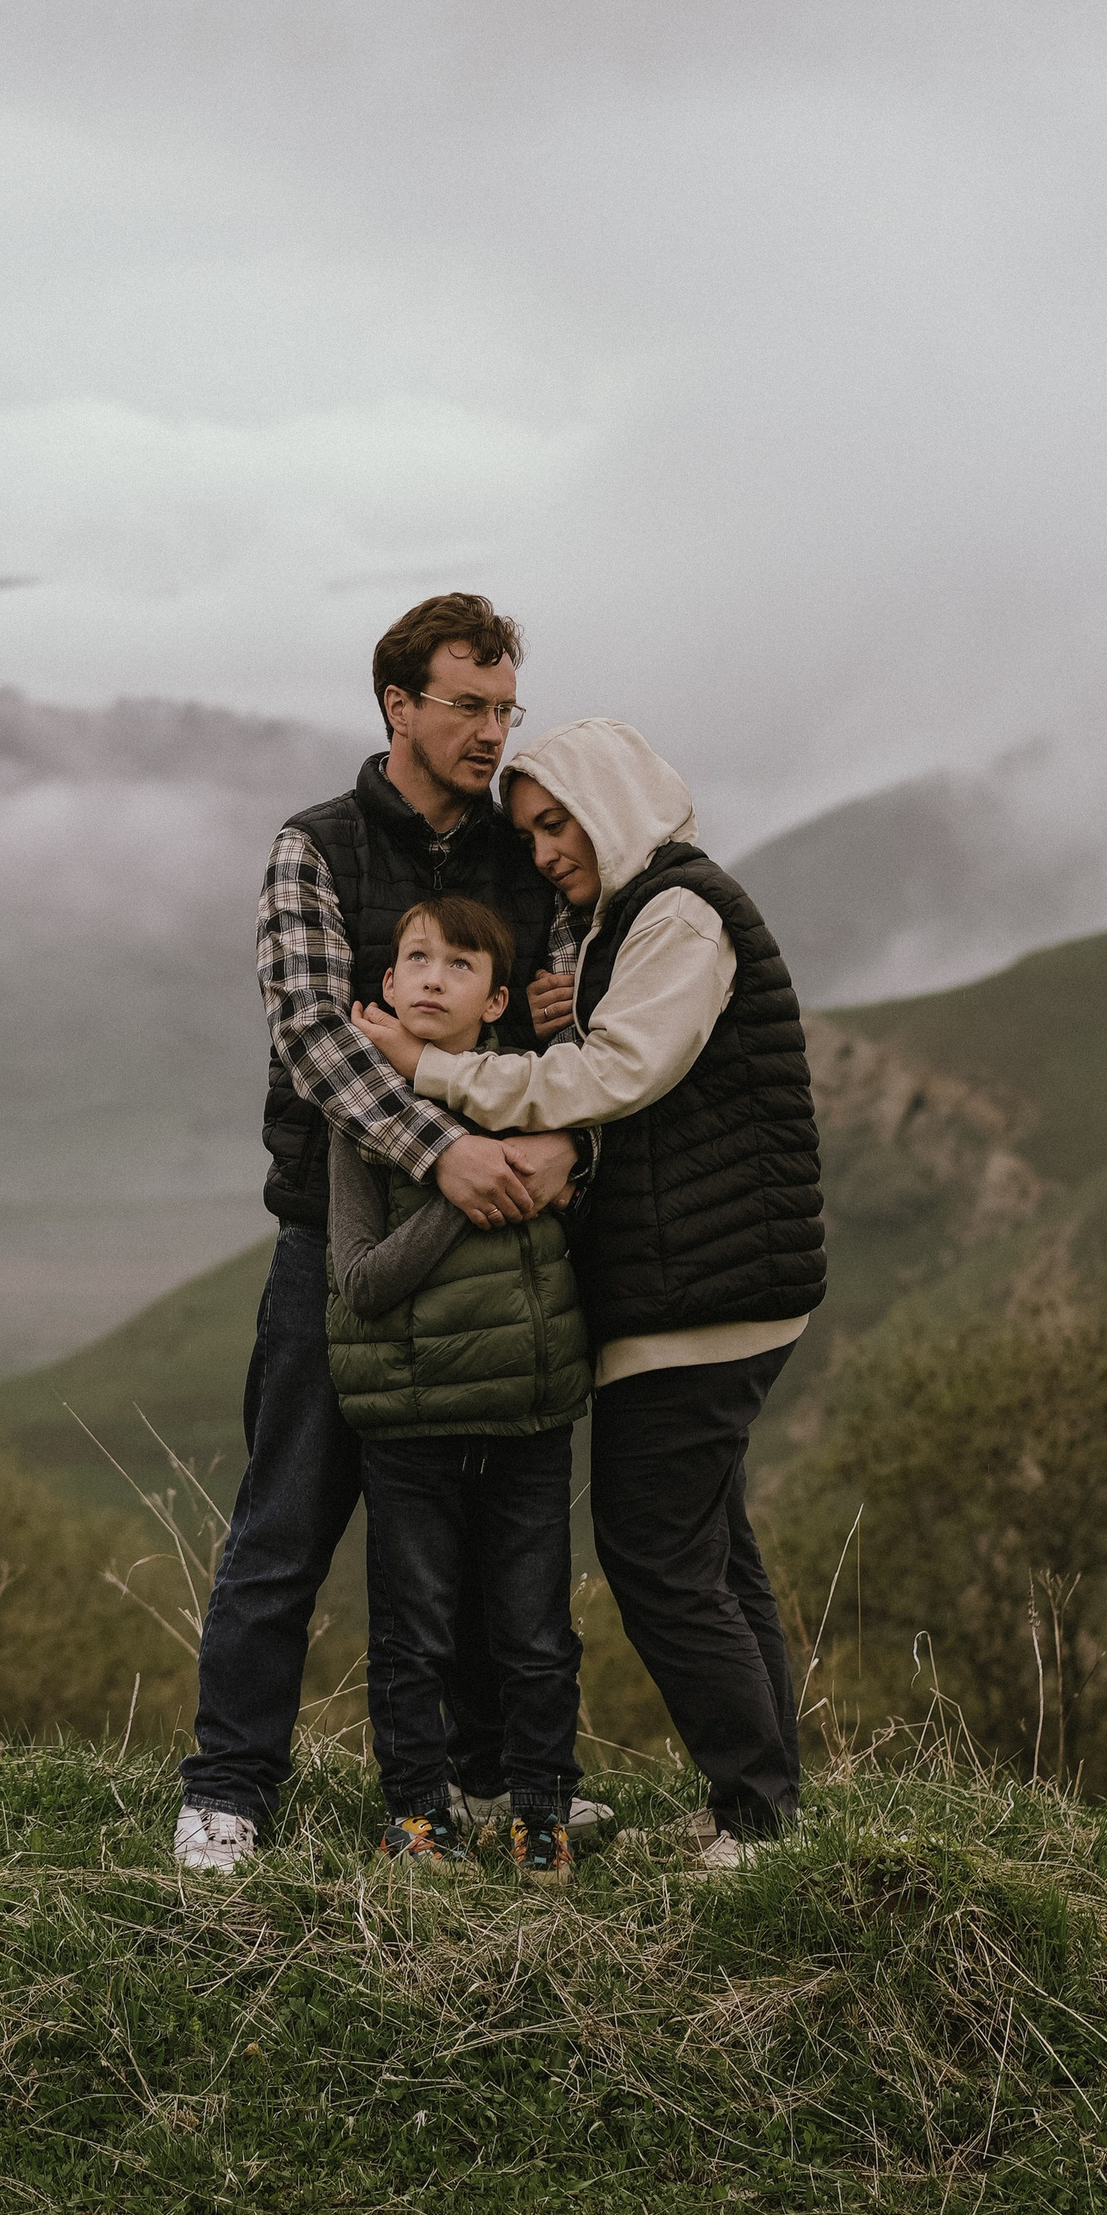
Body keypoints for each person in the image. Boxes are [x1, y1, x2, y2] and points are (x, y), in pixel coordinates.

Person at [353, 717, 824, 1872]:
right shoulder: (631, 920)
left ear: (609, 804)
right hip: (701, 1277)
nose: (546, 849)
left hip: (703, 1283)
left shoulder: (681, 913)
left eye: (556, 821)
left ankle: (754, 1817)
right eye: (530, 831)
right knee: (712, 1548)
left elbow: (619, 1071)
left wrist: (432, 1069)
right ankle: (768, 1801)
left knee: (655, 1549)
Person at [173, 593, 583, 1875]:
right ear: (397, 704)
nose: (492, 730)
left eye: (506, 706)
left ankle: (485, 1783)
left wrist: (554, 1143)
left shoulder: (526, 857)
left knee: (477, 1543)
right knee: (286, 1521)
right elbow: (311, 1034)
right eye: (468, 703)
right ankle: (229, 1787)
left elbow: (575, 1034)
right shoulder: (317, 848)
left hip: (505, 1246)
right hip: (331, 1238)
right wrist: (445, 1152)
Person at [327, 895, 591, 1881]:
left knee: (532, 1630)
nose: (433, 974)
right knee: (415, 1629)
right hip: (412, 1422)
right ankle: (416, 1814)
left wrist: (548, 1159)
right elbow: (359, 1279)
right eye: (415, 957)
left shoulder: (538, 1101)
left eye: (460, 962)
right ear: (386, 986)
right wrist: (460, 1182)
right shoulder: (359, 1127)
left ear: (496, 1001)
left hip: (527, 1415)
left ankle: (539, 1813)